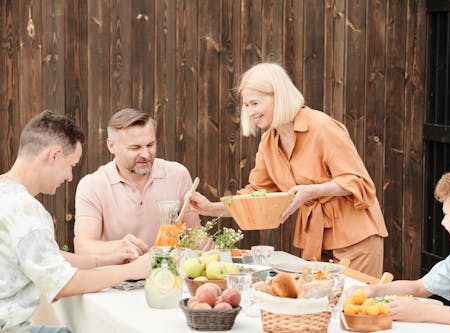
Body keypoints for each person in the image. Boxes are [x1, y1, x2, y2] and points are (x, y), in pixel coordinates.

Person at [189, 62, 388, 276]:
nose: (250, 112)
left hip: (356, 237)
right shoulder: (268, 143)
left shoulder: (322, 127)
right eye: (246, 105)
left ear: (279, 95)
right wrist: (211, 208)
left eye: (255, 103)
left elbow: (358, 182)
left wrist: (313, 191)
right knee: (316, 304)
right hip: (315, 238)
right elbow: (255, 197)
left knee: (351, 306)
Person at [0, 111, 149, 333]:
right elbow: (62, 284)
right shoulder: (27, 211)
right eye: (71, 165)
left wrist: (104, 260)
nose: (70, 177)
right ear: (54, 154)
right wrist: (132, 270)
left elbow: (43, 256)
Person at [346, 165, 450, 331]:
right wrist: (371, 291)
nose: (443, 222)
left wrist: (424, 311)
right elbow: (419, 287)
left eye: (446, 214)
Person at [73, 108, 202, 260]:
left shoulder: (177, 174)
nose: (146, 155)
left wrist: (205, 245)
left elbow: (195, 238)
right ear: (111, 146)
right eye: (135, 148)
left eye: (150, 145)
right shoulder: (92, 185)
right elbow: (83, 247)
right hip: (115, 279)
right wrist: (120, 247)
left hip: (166, 276)